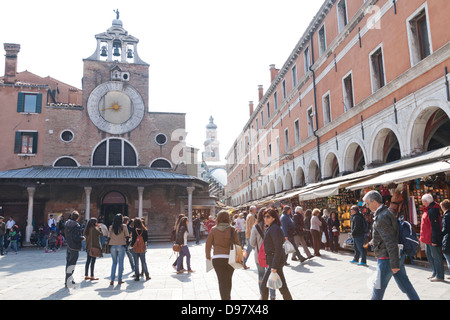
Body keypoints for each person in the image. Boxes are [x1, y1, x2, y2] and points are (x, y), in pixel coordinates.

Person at [364, 190, 420, 300]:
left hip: (387, 259)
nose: (367, 206)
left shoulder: (382, 217)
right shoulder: (387, 213)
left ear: (374, 202)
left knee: (378, 288)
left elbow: (390, 241)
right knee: (406, 285)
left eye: (368, 203)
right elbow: (390, 235)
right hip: (394, 256)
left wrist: (394, 264)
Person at [205, 210, 240, 300]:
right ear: (228, 218)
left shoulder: (213, 230)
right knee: (228, 279)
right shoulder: (232, 229)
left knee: (221, 281)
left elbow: (208, 244)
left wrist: (208, 256)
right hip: (230, 258)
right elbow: (237, 244)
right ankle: (228, 297)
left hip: (217, 258)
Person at [260, 208, 293, 300]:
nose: (265, 219)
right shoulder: (271, 227)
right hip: (274, 261)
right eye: (264, 217)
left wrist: (274, 266)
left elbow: (278, 248)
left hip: (275, 262)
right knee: (282, 287)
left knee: (264, 287)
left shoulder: (274, 228)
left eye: (268, 217)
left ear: (273, 218)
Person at [250, 207, 276, 300]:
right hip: (271, 255)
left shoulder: (256, 227)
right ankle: (272, 295)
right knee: (272, 275)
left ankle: (262, 294)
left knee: (261, 275)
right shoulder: (272, 226)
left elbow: (252, 243)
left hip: (259, 255)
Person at [420, 193, 445, 282]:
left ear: (426, 201)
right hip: (427, 238)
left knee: (436, 256)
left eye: (422, 201)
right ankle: (435, 273)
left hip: (431, 238)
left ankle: (440, 275)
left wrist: (434, 240)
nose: (422, 203)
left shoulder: (432, 211)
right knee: (430, 256)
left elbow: (435, 227)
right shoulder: (429, 209)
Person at [64, 211, 85, 288]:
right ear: (77, 218)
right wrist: (82, 238)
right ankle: (68, 282)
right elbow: (76, 237)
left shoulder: (66, 224)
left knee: (68, 263)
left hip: (68, 245)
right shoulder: (76, 225)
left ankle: (68, 279)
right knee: (72, 264)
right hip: (74, 247)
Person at [108, 213, 130, 285]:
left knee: (114, 263)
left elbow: (109, 236)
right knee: (121, 262)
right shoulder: (124, 226)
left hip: (113, 245)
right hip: (121, 245)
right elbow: (127, 236)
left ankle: (112, 279)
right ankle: (119, 280)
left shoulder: (111, 227)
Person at [440, 199, 450, 277]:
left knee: (448, 258)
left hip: (448, 239)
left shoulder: (446, 216)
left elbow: (445, 229)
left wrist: (440, 235)